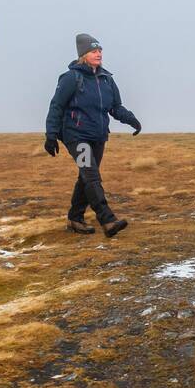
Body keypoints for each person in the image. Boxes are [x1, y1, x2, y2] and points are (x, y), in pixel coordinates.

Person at [44, 33, 141, 237]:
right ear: (83, 55)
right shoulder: (71, 78)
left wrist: (132, 120)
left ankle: (75, 218)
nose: (98, 54)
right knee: (91, 175)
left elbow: (115, 107)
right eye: (94, 51)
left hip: (98, 136)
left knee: (86, 177)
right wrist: (51, 135)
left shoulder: (106, 79)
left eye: (100, 51)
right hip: (76, 136)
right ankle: (107, 219)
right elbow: (56, 106)